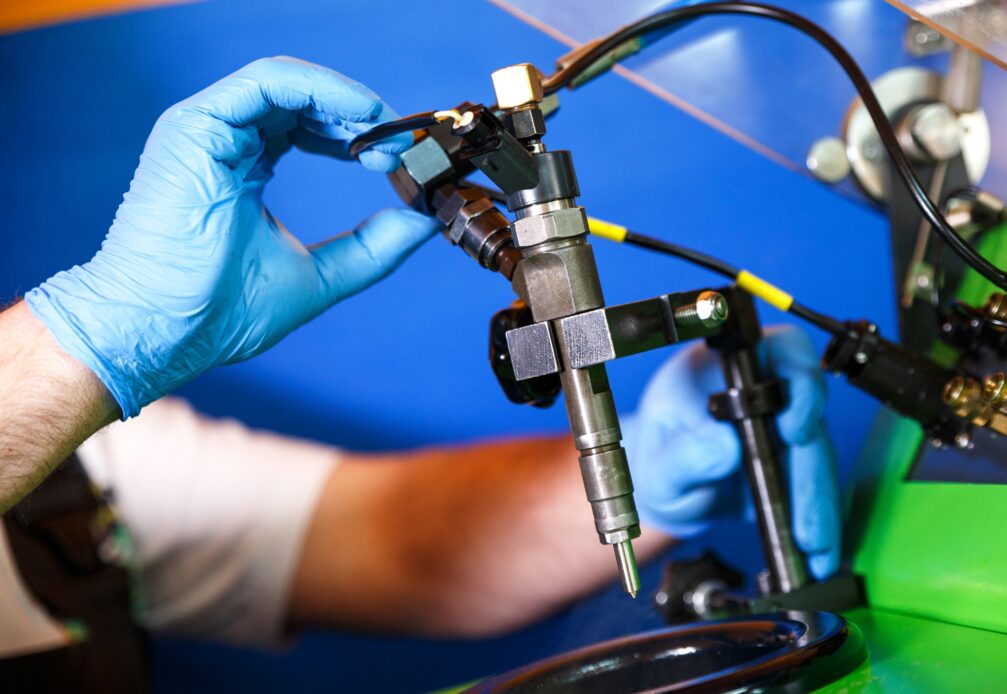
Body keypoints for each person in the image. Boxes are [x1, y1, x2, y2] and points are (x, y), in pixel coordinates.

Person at [0, 57, 839, 689]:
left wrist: (657, 475)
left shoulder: (87, 468)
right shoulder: (69, 380)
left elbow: (379, 539)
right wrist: (92, 342)